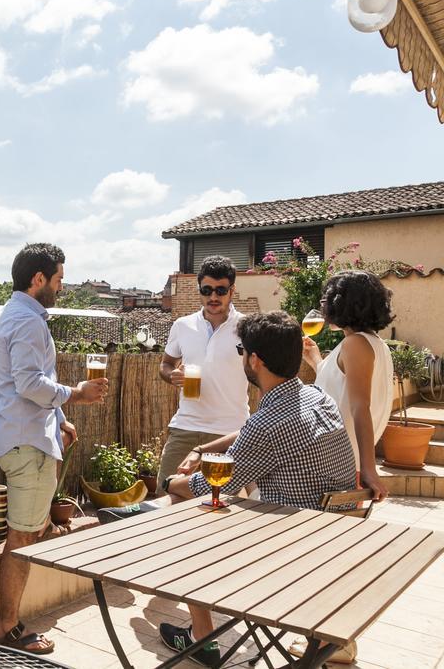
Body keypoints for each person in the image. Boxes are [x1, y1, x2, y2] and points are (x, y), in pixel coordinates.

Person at [160, 311, 355, 668]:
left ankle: (202, 639)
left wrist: (168, 483)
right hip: (330, 546)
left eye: (242, 351)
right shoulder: (318, 399)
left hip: (285, 557)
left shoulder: (268, 425)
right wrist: (203, 449)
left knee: (188, 521)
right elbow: (253, 431)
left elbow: (211, 485)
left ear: (255, 360)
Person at [0, 243, 107, 655]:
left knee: (29, 530)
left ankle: (8, 620)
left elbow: (21, 387)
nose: (61, 287)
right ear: (39, 279)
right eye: (58, 280)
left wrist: (58, 421)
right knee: (22, 538)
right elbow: (29, 384)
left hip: (24, 435)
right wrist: (78, 394)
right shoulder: (29, 322)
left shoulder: (13, 312)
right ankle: (6, 627)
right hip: (26, 445)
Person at [157, 256, 250, 493]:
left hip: (229, 432)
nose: (213, 297)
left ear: (232, 291)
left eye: (220, 290)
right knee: (163, 498)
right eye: (207, 290)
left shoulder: (248, 327)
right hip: (186, 425)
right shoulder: (183, 325)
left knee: (226, 506)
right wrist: (172, 376)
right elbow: (165, 364)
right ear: (199, 289)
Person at [303, 270, 394, 501]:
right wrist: (315, 359)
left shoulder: (355, 344)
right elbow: (340, 388)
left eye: (326, 300)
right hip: (339, 459)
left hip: (340, 463)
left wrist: (368, 469)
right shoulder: (373, 344)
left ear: (341, 304)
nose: (324, 308)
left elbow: (360, 407)